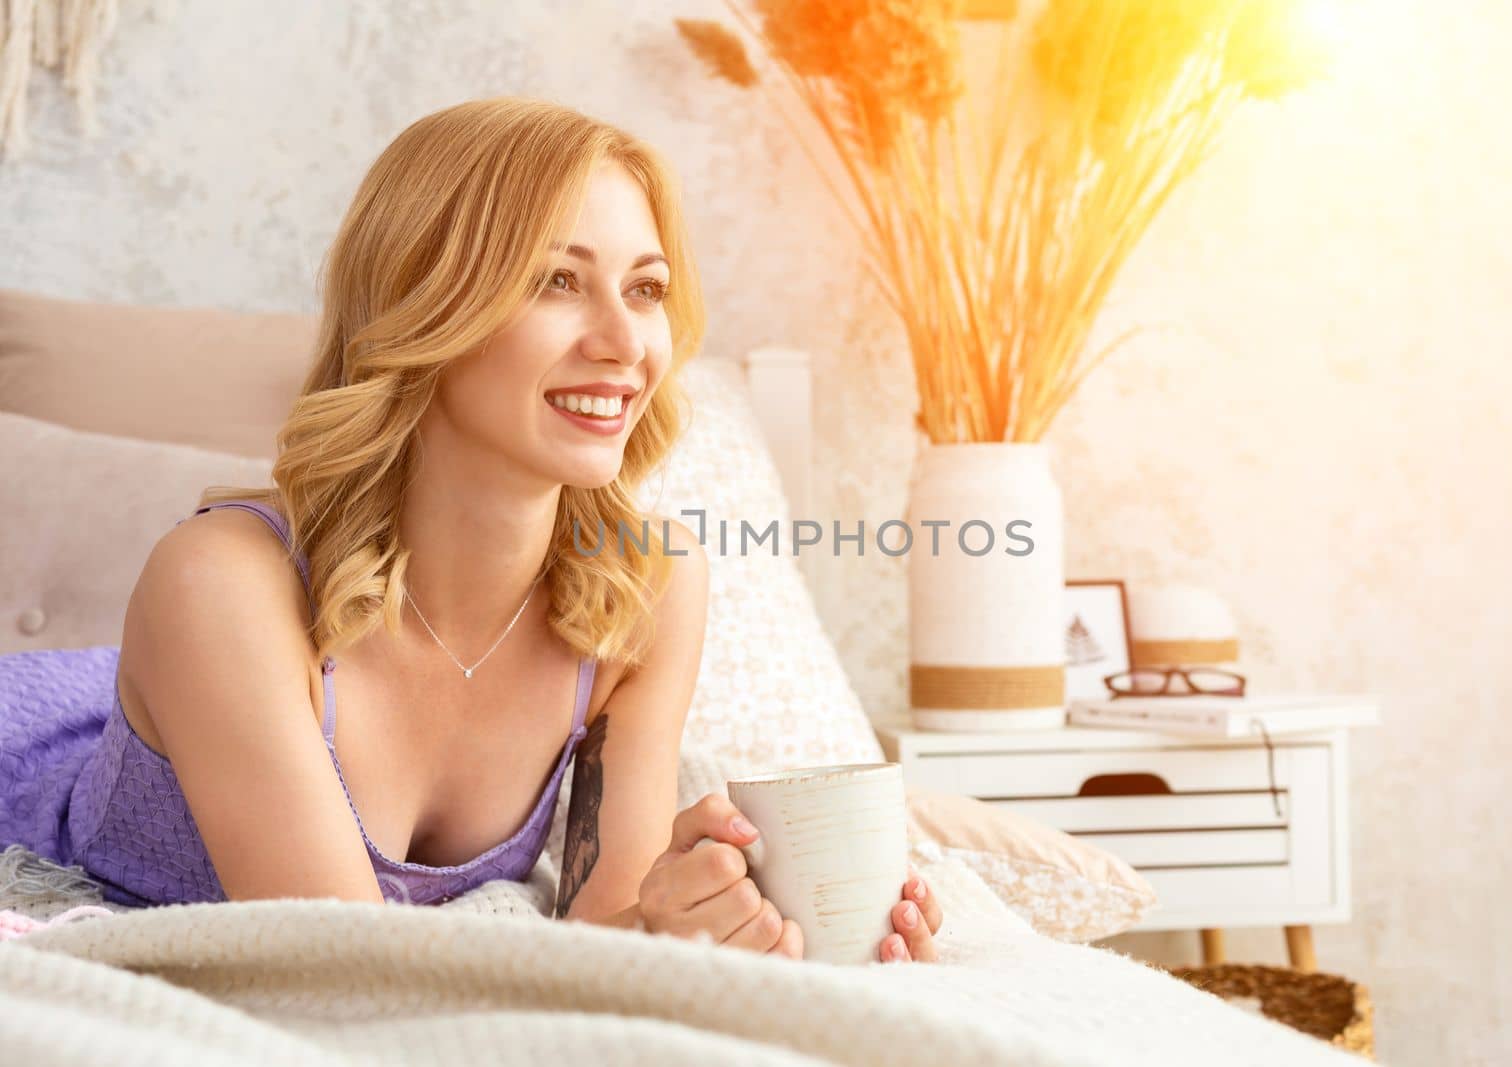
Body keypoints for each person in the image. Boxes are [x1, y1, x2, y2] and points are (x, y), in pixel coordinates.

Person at [0, 97, 942, 964]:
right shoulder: (222, 583)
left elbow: (603, 927)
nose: (624, 342)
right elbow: (346, 975)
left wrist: (687, 917)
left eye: (647, 290)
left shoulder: (647, 585)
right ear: (427, 306)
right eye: (556, 281)